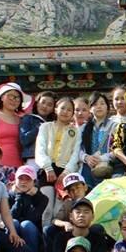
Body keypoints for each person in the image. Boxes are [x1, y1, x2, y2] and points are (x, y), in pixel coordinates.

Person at [36, 96, 83, 226]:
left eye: (69, 110)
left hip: (65, 172)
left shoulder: (76, 131)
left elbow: (75, 153)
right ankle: (44, 240)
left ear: (72, 113)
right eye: (62, 108)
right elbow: (40, 148)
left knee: (59, 211)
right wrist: (47, 167)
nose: (65, 112)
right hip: (47, 171)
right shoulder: (45, 127)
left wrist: (66, 172)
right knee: (46, 208)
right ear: (56, 109)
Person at [44, 198, 111, 252]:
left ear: (92, 217)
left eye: (86, 212)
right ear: (71, 216)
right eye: (78, 212)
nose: (81, 215)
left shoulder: (98, 237)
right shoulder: (61, 236)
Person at [0, 82, 32, 177]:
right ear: (2, 97)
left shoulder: (23, 120)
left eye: (17, 98)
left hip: (19, 168)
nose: (14, 100)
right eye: (11, 96)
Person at [8, 165, 47, 252]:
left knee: (26, 224)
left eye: (28, 179)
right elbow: (10, 217)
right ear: (15, 180)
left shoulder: (42, 198)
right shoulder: (8, 196)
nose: (24, 182)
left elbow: (33, 218)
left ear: (34, 182)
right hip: (13, 234)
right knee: (14, 222)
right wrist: (19, 196)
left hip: (32, 235)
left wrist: (28, 197)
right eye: (21, 178)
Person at [80, 91, 114, 187]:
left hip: (107, 167)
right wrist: (86, 157)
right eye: (95, 104)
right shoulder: (83, 128)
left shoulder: (114, 126)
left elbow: (117, 149)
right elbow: (77, 149)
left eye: (102, 103)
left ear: (108, 107)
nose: (99, 106)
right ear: (90, 108)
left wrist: (101, 158)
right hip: (88, 168)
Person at [19, 90, 55, 168]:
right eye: (43, 102)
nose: (45, 106)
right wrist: (39, 128)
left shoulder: (53, 124)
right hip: (33, 159)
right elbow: (24, 140)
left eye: (49, 105)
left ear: (53, 109)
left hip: (50, 160)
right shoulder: (28, 119)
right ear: (37, 103)